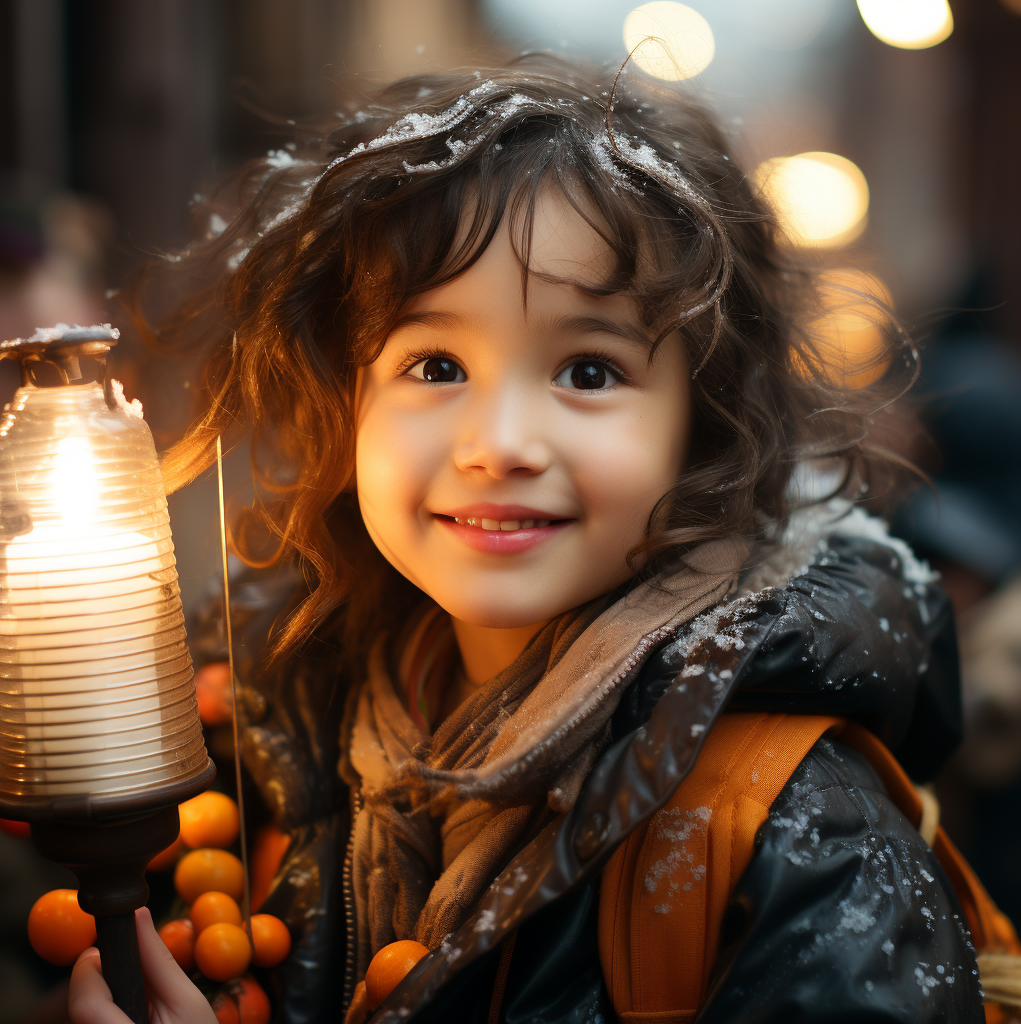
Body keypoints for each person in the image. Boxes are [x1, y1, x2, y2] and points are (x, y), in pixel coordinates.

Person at [67, 56, 1015, 1024]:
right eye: (434, 363)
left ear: (702, 425)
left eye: (589, 372)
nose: (500, 445)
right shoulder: (292, 752)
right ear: (342, 405)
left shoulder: (791, 828)